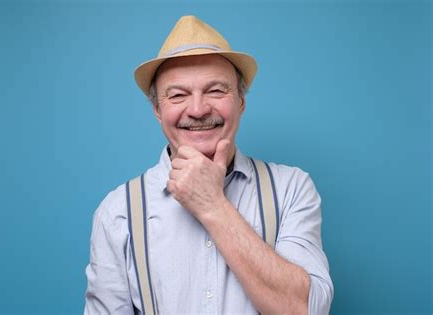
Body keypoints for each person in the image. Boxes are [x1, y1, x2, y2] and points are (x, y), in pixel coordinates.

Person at [84, 15, 333, 315]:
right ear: (157, 110)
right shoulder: (118, 212)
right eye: (178, 95)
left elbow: (307, 310)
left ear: (240, 101)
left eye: (216, 90)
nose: (199, 109)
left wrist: (213, 204)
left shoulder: (291, 188)